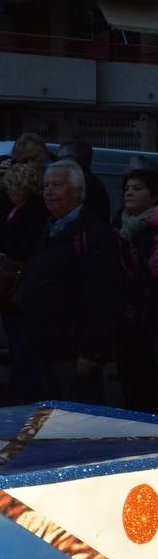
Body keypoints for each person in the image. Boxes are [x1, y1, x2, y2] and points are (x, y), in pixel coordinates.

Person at [18, 160, 126, 404]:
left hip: (73, 351)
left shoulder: (94, 233)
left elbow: (103, 295)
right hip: (46, 345)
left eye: (57, 185)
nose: (49, 191)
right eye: (46, 185)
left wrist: (90, 351)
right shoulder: (51, 227)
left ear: (78, 191)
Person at [0, 163, 49, 403]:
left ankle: (26, 391)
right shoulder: (19, 210)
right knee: (19, 345)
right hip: (15, 289)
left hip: (20, 288)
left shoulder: (31, 213)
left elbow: (17, 246)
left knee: (24, 346)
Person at [113, 168, 158, 412]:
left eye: (137, 188)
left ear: (153, 197)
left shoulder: (153, 228)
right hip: (126, 316)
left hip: (150, 316)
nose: (129, 193)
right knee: (130, 380)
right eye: (127, 188)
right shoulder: (120, 223)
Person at [57, 139, 112, 223]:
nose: (57, 163)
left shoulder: (82, 183)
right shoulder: (90, 180)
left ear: (74, 159)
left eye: (61, 159)